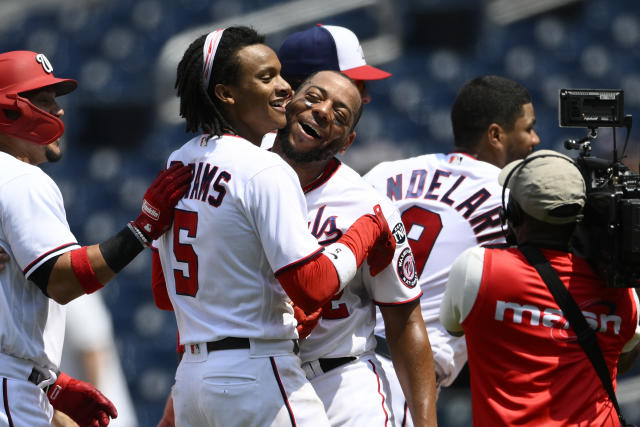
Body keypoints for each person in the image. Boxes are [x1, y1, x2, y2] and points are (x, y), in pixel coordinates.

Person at [152, 27, 396, 427]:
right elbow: (313, 285)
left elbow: (165, 294)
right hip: (257, 375)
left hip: (193, 381)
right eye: (267, 78)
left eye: (282, 76)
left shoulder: (179, 161)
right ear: (226, 93)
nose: (285, 88)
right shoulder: (265, 168)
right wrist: (367, 229)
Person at [0, 50, 191, 427]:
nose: (59, 111)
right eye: (43, 101)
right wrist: (142, 230)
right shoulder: (21, 178)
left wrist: (52, 389)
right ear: (8, 111)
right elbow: (63, 280)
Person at [364, 75, 540, 425]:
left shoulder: (386, 173)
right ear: (496, 135)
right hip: (404, 378)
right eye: (528, 128)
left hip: (338, 361)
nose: (535, 139)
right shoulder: (514, 200)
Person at [269, 69, 438, 426]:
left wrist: (426, 424)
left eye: (340, 115)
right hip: (257, 382)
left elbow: (405, 321)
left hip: (338, 383)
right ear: (289, 101)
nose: (323, 111)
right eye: (313, 97)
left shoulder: (366, 206)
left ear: (346, 142)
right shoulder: (240, 176)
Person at [439, 149, 640, 425]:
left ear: (514, 214)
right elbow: (623, 358)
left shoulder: (477, 268)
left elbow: (453, 327)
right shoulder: (620, 290)